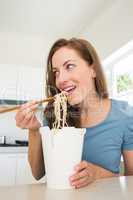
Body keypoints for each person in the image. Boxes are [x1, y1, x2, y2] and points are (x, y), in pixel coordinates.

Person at [15, 38, 133, 189]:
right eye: (56, 72)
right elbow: (38, 173)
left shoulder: (125, 115)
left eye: (69, 66)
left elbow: (131, 181)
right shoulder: (53, 114)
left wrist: (97, 174)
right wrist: (33, 130)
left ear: (93, 69)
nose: (61, 80)